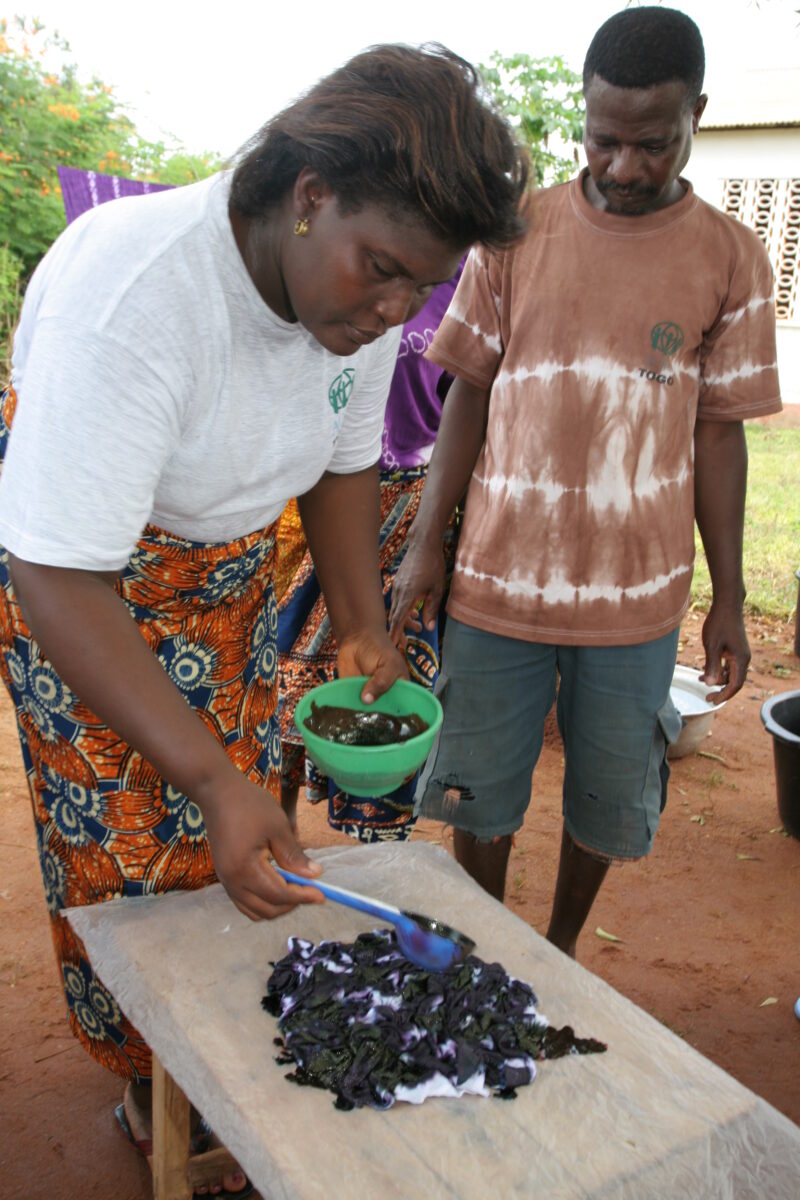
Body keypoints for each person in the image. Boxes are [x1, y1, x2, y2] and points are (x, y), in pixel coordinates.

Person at [0, 43, 528, 1195]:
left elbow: (341, 462)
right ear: (306, 196)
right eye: (382, 271)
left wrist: (358, 622)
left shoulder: (359, 287)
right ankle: (149, 1076)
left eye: (418, 288)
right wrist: (210, 779)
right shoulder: (136, 301)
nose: (394, 310)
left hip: (225, 569)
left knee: (231, 821)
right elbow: (54, 570)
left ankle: (212, 1038)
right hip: (92, 579)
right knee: (128, 851)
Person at [389, 7, 782, 962]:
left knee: (608, 797)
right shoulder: (515, 236)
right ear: (584, 117)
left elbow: (719, 438)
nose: (623, 165)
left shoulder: (732, 256)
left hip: (637, 600)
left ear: (697, 113)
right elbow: (466, 397)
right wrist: (426, 543)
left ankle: (557, 952)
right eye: (603, 139)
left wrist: (728, 596)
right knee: (477, 786)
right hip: (497, 584)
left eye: (653, 142)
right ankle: (487, 945)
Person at [277, 264, 462, 842]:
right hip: (312, 494)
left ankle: (378, 835)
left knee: (393, 676)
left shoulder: (472, 283)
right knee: (288, 666)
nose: (403, 303)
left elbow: (469, 408)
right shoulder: (356, 269)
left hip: (416, 505)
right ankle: (273, 818)